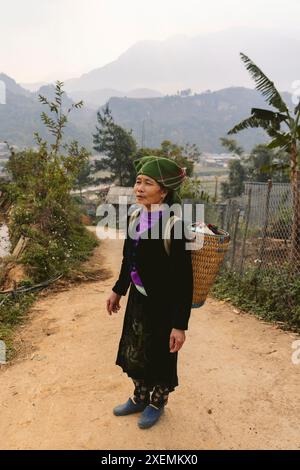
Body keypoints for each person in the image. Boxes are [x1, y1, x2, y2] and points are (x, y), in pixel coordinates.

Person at [106, 155, 193, 429]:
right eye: (138, 181)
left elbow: (183, 280)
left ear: (164, 191)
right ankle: (139, 396)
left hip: (165, 306)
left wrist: (179, 325)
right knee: (136, 347)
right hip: (139, 299)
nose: (139, 188)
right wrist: (118, 291)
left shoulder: (174, 225)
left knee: (161, 352)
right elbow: (128, 257)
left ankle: (157, 401)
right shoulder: (135, 216)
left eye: (148, 183)